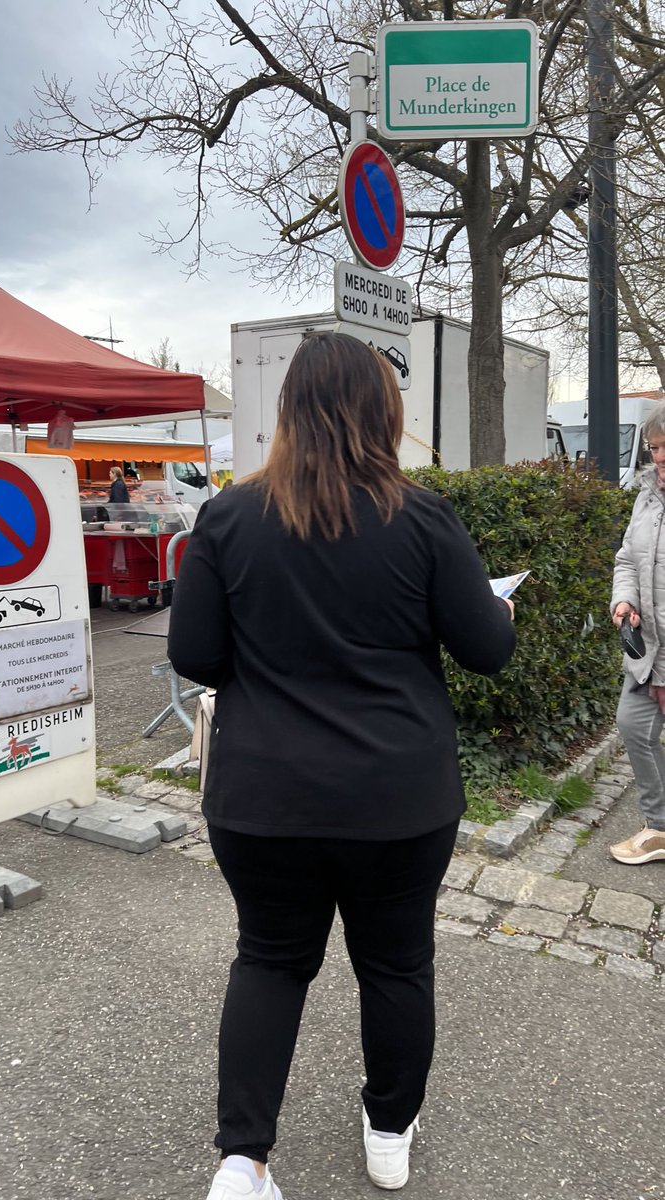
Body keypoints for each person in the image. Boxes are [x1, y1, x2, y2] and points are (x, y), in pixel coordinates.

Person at [168, 332, 516, 1200]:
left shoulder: (228, 516)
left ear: (288, 411)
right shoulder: (424, 517)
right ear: (383, 412)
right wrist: (495, 607)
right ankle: (389, 1132)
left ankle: (242, 1163)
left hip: (261, 797)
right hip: (397, 800)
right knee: (396, 965)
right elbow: (485, 651)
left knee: (271, 959)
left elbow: (197, 656)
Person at [610, 403, 665, 865]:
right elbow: (628, 556)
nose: (660, 459)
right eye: (655, 449)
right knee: (633, 723)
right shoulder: (647, 495)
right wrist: (623, 600)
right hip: (649, 647)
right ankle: (661, 826)